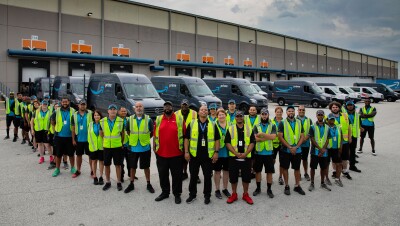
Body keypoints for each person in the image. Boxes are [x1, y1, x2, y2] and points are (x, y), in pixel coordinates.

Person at [184, 105, 220, 204]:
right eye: (201, 110)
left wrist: (216, 153)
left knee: (207, 176)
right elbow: (186, 139)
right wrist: (186, 152)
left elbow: (217, 139)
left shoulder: (213, 124)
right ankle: (192, 195)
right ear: (198, 112)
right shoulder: (191, 124)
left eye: (205, 110)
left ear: (207, 112)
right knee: (193, 176)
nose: (203, 111)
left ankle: (207, 195)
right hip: (194, 155)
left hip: (208, 156)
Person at [153, 101, 185, 204]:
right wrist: (154, 147)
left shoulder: (179, 119)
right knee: (163, 175)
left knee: (177, 176)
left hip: (176, 154)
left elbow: (185, 136)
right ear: (163, 108)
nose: (167, 108)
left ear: (172, 108)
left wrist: (185, 150)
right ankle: (165, 192)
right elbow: (155, 134)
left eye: (169, 106)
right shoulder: (158, 119)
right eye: (165, 106)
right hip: (161, 153)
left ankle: (177, 194)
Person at [225, 110, 256, 205]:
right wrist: (235, 153)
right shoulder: (230, 129)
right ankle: (234, 194)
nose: (239, 117)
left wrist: (246, 153)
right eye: (237, 116)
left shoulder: (249, 128)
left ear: (243, 117)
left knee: (246, 177)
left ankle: (245, 194)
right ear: (235, 117)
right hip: (234, 158)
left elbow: (252, 142)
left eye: (240, 116)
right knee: (233, 178)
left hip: (246, 157)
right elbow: (227, 143)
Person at [124, 102, 155, 194]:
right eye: (136, 107)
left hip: (145, 147)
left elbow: (151, 133)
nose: (138, 108)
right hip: (133, 147)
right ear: (134, 109)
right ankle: (131, 184)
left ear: (143, 108)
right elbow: (127, 131)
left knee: (146, 167)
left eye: (140, 106)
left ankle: (148, 183)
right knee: (132, 166)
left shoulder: (148, 119)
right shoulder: (129, 119)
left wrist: (144, 139)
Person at [278, 105, 306, 196]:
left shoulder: (299, 122)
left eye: (292, 111)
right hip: (286, 150)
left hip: (297, 150)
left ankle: (297, 185)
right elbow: (280, 137)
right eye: (289, 111)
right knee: (285, 168)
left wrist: (296, 147)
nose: (291, 113)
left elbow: (302, 136)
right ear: (286, 113)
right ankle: (286, 185)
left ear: (295, 112)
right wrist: (290, 147)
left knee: (297, 168)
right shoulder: (282, 123)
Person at [252, 108, 277, 198]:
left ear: (268, 115)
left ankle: (269, 189)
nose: (264, 115)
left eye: (265, 114)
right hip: (258, 153)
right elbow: (256, 139)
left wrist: (262, 133)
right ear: (260, 115)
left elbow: (274, 137)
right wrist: (268, 137)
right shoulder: (256, 126)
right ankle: (258, 188)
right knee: (258, 171)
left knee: (269, 172)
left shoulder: (272, 125)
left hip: (269, 153)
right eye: (262, 114)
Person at [100, 104, 125, 191]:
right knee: (107, 165)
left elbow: (123, 134)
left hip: (117, 146)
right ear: (108, 111)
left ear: (117, 111)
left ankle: (118, 182)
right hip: (107, 146)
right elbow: (101, 133)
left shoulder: (121, 121)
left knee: (118, 165)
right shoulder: (102, 121)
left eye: (114, 109)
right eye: (111, 109)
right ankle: (108, 182)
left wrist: (121, 143)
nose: (113, 111)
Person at [50, 96, 76, 177]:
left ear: (69, 102)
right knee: (58, 154)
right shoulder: (56, 111)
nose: (65, 103)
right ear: (61, 102)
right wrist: (55, 130)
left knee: (71, 154)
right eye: (63, 102)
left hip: (69, 136)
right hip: (59, 136)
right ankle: (57, 169)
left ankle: (72, 168)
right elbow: (52, 121)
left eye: (66, 101)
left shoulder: (73, 111)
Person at [308, 110, 331, 192]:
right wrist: (319, 149)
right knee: (313, 168)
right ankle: (312, 183)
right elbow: (312, 138)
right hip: (315, 151)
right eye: (319, 115)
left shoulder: (327, 127)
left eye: (321, 115)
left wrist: (323, 149)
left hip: (324, 152)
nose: (320, 116)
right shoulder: (312, 126)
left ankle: (322, 183)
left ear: (323, 116)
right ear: (316, 116)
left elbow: (328, 139)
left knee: (323, 168)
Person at [329, 102, 352, 180]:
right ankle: (335, 172)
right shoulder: (328, 117)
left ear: (339, 108)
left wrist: (349, 137)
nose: (335, 108)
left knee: (345, 158)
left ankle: (345, 171)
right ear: (331, 109)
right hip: (334, 142)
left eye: (336, 107)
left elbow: (349, 127)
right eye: (333, 107)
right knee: (334, 158)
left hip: (345, 141)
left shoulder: (345, 116)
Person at [176, 99, 198, 181]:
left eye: (186, 104)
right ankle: (184, 173)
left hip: (192, 139)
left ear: (188, 105)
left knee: (193, 160)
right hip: (181, 139)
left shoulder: (194, 113)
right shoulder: (176, 113)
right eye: (183, 104)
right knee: (183, 159)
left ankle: (195, 176)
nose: (184, 106)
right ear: (180, 105)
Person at [71, 100, 93, 178]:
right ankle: (78, 170)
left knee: (90, 156)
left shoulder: (90, 113)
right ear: (78, 106)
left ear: (86, 105)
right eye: (81, 105)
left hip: (88, 139)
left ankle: (92, 171)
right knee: (78, 155)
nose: (82, 106)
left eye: (84, 105)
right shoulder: (74, 115)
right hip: (78, 139)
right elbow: (73, 128)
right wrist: (73, 139)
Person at [213, 109, 231, 199]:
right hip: (218, 153)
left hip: (228, 153)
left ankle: (225, 188)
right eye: (219, 115)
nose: (221, 116)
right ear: (217, 116)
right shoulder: (213, 125)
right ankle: (217, 189)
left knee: (226, 171)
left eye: (223, 114)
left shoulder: (231, 125)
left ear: (225, 115)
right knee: (217, 172)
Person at [30, 100, 52, 164]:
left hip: (46, 130)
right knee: (39, 144)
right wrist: (32, 129)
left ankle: (51, 156)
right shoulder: (36, 112)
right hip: (38, 130)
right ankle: (42, 157)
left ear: (47, 105)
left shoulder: (50, 112)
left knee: (47, 145)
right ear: (41, 104)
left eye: (46, 104)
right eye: (43, 104)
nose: (44, 105)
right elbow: (31, 121)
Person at [87, 110, 105, 185]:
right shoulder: (90, 124)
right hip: (93, 147)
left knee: (101, 161)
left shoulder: (104, 124)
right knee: (94, 161)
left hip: (101, 146)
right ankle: (95, 176)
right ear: (93, 116)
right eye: (95, 115)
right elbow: (89, 135)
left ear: (100, 116)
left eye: (98, 115)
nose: (96, 116)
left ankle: (101, 176)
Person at [327, 113, 344, 187]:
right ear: (327, 119)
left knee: (339, 164)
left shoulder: (338, 127)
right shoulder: (325, 127)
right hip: (328, 149)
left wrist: (340, 147)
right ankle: (326, 178)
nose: (332, 120)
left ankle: (337, 179)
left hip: (336, 149)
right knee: (326, 164)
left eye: (333, 119)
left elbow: (341, 138)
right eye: (330, 119)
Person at [296, 105, 312, 181]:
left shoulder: (309, 120)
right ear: (297, 111)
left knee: (305, 159)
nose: (301, 111)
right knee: (297, 160)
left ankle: (306, 173)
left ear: (305, 111)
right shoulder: (294, 119)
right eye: (300, 110)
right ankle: (298, 173)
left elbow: (311, 131)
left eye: (303, 110)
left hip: (306, 143)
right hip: (297, 144)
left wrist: (306, 138)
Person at [345, 100, 362, 172]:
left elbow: (358, 123)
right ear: (346, 106)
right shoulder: (343, 114)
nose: (350, 106)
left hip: (354, 135)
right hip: (345, 136)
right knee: (344, 152)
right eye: (348, 105)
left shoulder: (357, 115)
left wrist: (361, 127)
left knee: (352, 151)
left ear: (353, 106)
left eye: (351, 105)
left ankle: (352, 166)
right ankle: (343, 168)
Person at [272, 107, 284, 185]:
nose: (279, 113)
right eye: (277, 112)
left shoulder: (284, 122)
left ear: (282, 113)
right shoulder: (271, 122)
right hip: (273, 145)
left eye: (280, 112)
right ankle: (271, 176)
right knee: (272, 161)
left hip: (282, 145)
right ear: (275, 112)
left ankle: (280, 177)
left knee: (282, 162)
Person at [118, 107, 130, 182]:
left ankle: (131, 174)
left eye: (125, 111)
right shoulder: (117, 121)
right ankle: (121, 175)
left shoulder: (129, 119)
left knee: (130, 161)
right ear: (119, 112)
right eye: (122, 111)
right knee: (121, 162)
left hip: (129, 144)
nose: (124, 112)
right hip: (121, 145)